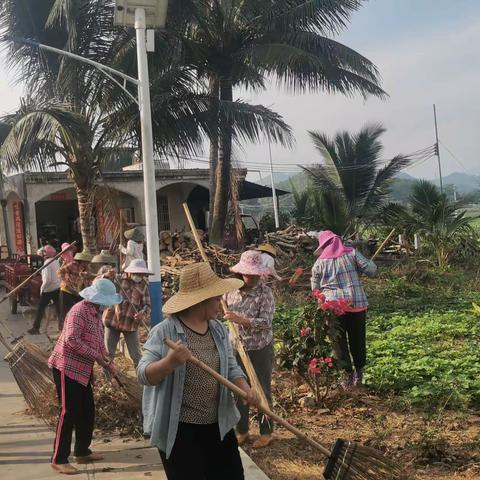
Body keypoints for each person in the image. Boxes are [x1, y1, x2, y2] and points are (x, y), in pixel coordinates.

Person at [137, 262, 261, 480]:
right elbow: (143, 375)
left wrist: (245, 389)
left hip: (218, 425)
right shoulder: (165, 332)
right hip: (181, 431)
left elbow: (231, 366)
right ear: (200, 301)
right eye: (216, 298)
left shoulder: (218, 330)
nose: (220, 303)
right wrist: (170, 362)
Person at [48, 278, 122, 475]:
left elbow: (98, 342)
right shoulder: (79, 311)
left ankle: (81, 451)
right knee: (68, 412)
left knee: (87, 410)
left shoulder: (96, 313)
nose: (108, 304)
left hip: (83, 369)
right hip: (66, 366)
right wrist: (97, 356)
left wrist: (108, 361)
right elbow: (72, 340)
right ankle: (59, 458)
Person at [310, 230, 377, 389]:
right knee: (358, 339)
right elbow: (371, 270)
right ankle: (359, 374)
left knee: (338, 342)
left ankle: (346, 376)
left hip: (332, 308)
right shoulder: (352, 253)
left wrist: (322, 301)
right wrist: (368, 265)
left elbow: (315, 290)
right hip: (356, 303)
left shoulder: (319, 263)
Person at [223, 250, 276, 449]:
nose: (253, 278)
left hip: (259, 348)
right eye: (248, 274)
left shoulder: (265, 293)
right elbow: (222, 310)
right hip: (236, 347)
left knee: (261, 388)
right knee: (239, 390)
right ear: (240, 273)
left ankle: (266, 431)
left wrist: (242, 320)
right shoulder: (230, 291)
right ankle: (242, 430)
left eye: (256, 275)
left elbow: (266, 323)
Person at [103, 259, 152, 368]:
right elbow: (101, 284)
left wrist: (142, 314)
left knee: (136, 355)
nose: (138, 276)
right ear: (129, 272)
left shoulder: (143, 286)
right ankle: (108, 380)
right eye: (136, 273)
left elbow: (148, 305)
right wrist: (107, 275)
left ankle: (142, 380)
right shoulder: (118, 279)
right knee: (108, 353)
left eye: (140, 274)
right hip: (113, 320)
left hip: (131, 324)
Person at [28, 245, 61, 335]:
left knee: (40, 309)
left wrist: (42, 289)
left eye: (43, 253)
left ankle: (35, 328)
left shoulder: (47, 263)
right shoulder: (55, 261)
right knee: (59, 309)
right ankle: (62, 328)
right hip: (57, 288)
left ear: (46, 254)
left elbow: (47, 280)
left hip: (48, 290)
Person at [58, 250, 93, 329]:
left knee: (79, 309)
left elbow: (88, 281)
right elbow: (60, 272)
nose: (88, 263)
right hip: (66, 290)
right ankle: (62, 328)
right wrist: (66, 282)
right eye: (86, 261)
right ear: (82, 260)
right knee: (65, 310)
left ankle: (75, 326)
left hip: (77, 291)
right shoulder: (73, 265)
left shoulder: (87, 269)